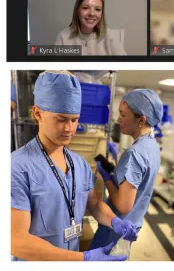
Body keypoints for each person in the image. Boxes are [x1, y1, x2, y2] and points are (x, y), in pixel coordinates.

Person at [11, 71, 137, 261]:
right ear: (38, 113)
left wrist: (114, 221)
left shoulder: (79, 164)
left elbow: (93, 204)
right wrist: (83, 259)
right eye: (61, 119)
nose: (70, 128)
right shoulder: (17, 167)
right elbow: (16, 241)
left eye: (74, 119)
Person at [91, 90, 162, 251]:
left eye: (123, 115)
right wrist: (118, 163)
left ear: (141, 120)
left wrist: (107, 178)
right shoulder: (152, 145)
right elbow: (137, 180)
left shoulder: (134, 154)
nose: (118, 119)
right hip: (131, 227)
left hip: (116, 230)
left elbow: (123, 206)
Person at [54, 0, 125, 55]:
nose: (92, 13)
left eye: (97, 9)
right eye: (85, 8)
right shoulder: (63, 37)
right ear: (77, 11)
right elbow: (54, 67)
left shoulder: (109, 36)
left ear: (102, 13)